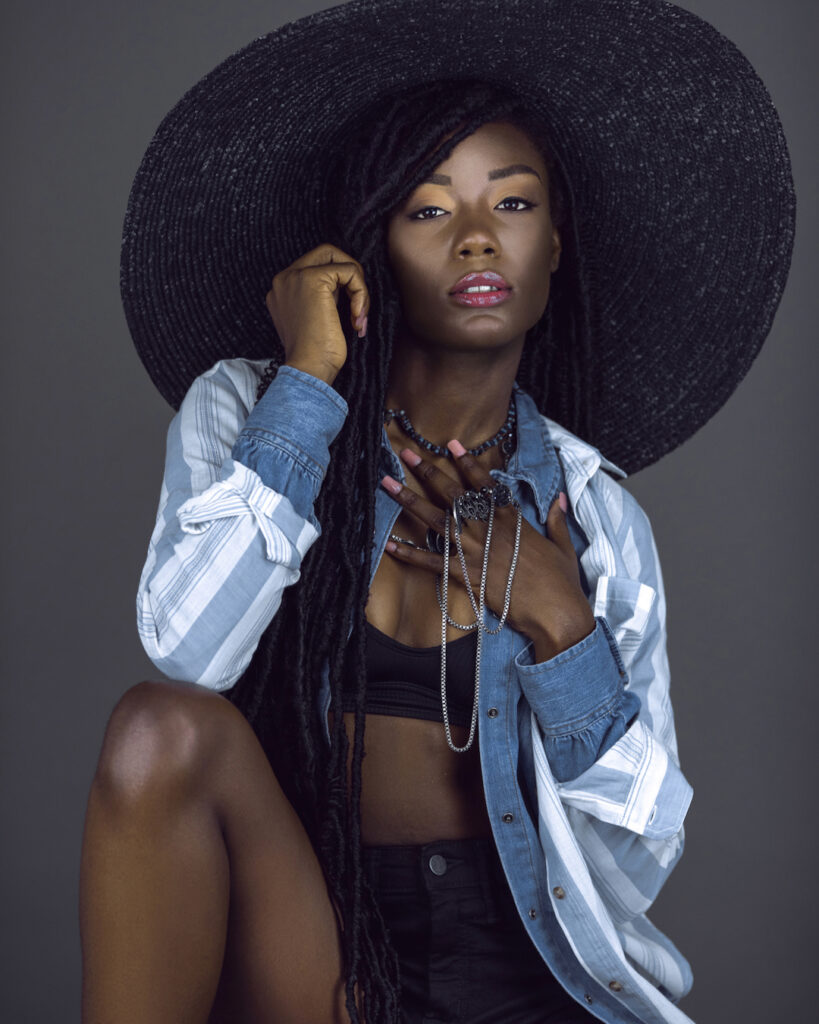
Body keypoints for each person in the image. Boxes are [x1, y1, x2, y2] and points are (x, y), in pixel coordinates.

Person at [79, 2, 795, 1023]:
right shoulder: (253, 411)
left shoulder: (591, 515)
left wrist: (564, 628)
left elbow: (638, 859)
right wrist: (310, 389)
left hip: (525, 976)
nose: (473, 239)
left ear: (555, 247)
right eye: (426, 210)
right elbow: (187, 654)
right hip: (323, 952)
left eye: (512, 204)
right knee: (158, 729)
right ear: (369, 244)